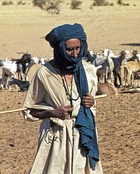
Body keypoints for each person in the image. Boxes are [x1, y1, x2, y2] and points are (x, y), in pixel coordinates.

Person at [22, 23, 103, 174]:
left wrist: (91, 102)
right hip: (55, 137)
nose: (75, 54)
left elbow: (91, 107)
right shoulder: (44, 73)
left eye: (78, 48)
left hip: (83, 133)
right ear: (59, 49)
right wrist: (52, 113)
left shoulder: (88, 71)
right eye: (70, 49)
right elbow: (30, 110)